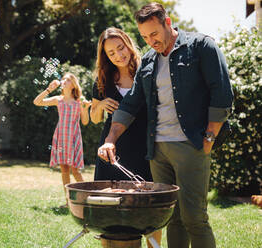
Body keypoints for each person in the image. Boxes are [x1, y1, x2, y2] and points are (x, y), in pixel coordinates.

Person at [97, 3, 233, 248]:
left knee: (195, 218)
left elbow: (221, 92)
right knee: (172, 218)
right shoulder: (148, 61)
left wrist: (210, 137)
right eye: (145, 37)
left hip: (191, 146)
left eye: (154, 34)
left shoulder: (201, 47)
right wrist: (110, 139)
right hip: (158, 152)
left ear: (167, 23)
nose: (151, 41)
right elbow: (130, 104)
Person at [90, 27, 161, 248]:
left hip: (145, 148)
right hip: (113, 151)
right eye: (111, 53)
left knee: (150, 208)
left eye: (120, 48)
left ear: (128, 44)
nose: (119, 55)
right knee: (110, 207)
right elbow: (93, 118)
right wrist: (100, 105)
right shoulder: (103, 80)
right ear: (106, 57)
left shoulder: (148, 70)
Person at [33, 72, 91, 207]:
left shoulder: (80, 100)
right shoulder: (58, 99)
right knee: (64, 170)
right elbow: (37, 102)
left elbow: (85, 122)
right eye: (63, 79)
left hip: (74, 138)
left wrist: (85, 109)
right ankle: (68, 201)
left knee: (75, 170)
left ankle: (87, 197)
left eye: (68, 79)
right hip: (61, 136)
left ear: (73, 85)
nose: (64, 81)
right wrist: (49, 89)